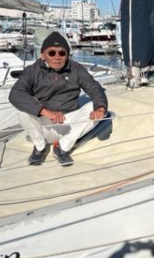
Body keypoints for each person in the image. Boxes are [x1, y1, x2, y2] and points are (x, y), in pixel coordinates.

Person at [9, 32, 108, 167]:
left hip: (69, 124)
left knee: (98, 109)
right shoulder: (32, 70)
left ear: (67, 55)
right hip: (43, 125)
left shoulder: (76, 69)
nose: (57, 57)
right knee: (22, 110)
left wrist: (100, 108)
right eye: (51, 53)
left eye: (62, 53)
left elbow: (94, 88)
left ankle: (62, 147)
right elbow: (15, 94)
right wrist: (45, 112)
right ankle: (40, 147)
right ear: (43, 55)